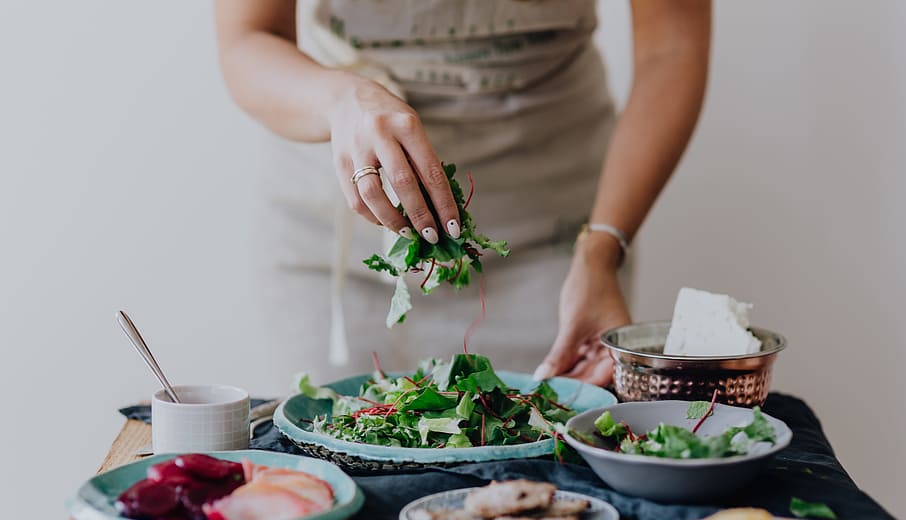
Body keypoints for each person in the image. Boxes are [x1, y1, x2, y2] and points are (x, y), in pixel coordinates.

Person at [214, 0, 710, 387]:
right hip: (335, 248)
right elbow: (248, 38)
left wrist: (602, 248)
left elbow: (672, 46)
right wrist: (341, 100)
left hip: (558, 244)